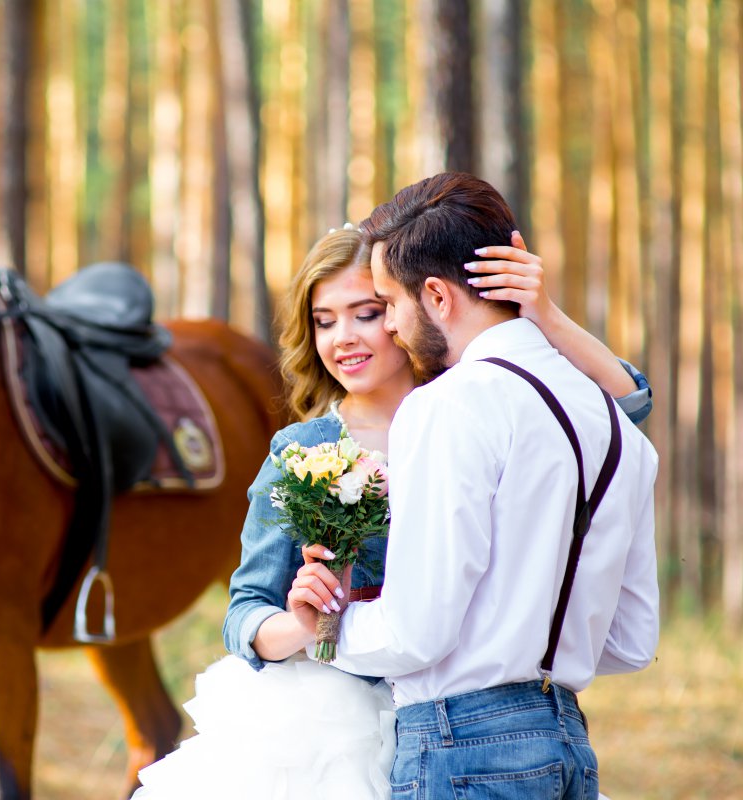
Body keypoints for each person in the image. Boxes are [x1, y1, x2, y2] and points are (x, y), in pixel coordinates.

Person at [132, 215, 653, 799]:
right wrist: (305, 627)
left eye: (367, 312)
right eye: (323, 321)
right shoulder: (304, 450)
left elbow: (624, 409)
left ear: (409, 309)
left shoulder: (475, 404)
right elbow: (246, 611)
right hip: (330, 733)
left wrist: (545, 316)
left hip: (467, 713)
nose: (342, 338)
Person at [307, 173, 659, 799]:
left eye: (388, 303)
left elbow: (417, 632)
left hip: (461, 753)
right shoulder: (615, 424)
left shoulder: (450, 406)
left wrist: (321, 630)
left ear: (438, 297)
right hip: (569, 747)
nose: (388, 326)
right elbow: (631, 641)